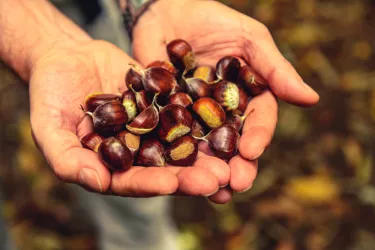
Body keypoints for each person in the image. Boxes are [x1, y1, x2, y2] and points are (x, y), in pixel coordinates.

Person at [0, 0, 320, 249]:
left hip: (90, 11)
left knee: (136, 206)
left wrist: (147, 5)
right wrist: (41, 45)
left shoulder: (157, 99)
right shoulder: (146, 106)